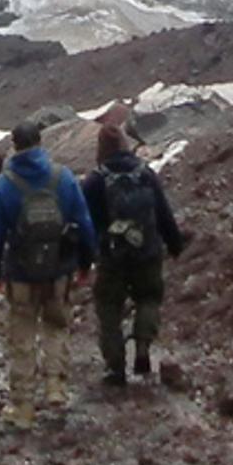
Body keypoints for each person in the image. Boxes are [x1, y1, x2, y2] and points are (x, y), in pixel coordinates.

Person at [0, 119, 96, 429]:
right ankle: (55, 386)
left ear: (14, 146)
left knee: (22, 337)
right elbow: (84, 223)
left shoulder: (5, 184)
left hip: (20, 273)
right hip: (60, 270)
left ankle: (23, 408)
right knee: (57, 326)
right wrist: (85, 264)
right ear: (41, 142)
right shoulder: (64, 178)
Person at [79, 121, 189, 387]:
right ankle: (142, 347)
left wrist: (84, 258)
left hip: (112, 256)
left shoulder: (95, 180)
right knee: (149, 298)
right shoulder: (146, 173)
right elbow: (163, 212)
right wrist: (174, 244)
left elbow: (85, 222)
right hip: (147, 251)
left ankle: (115, 367)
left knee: (109, 310)